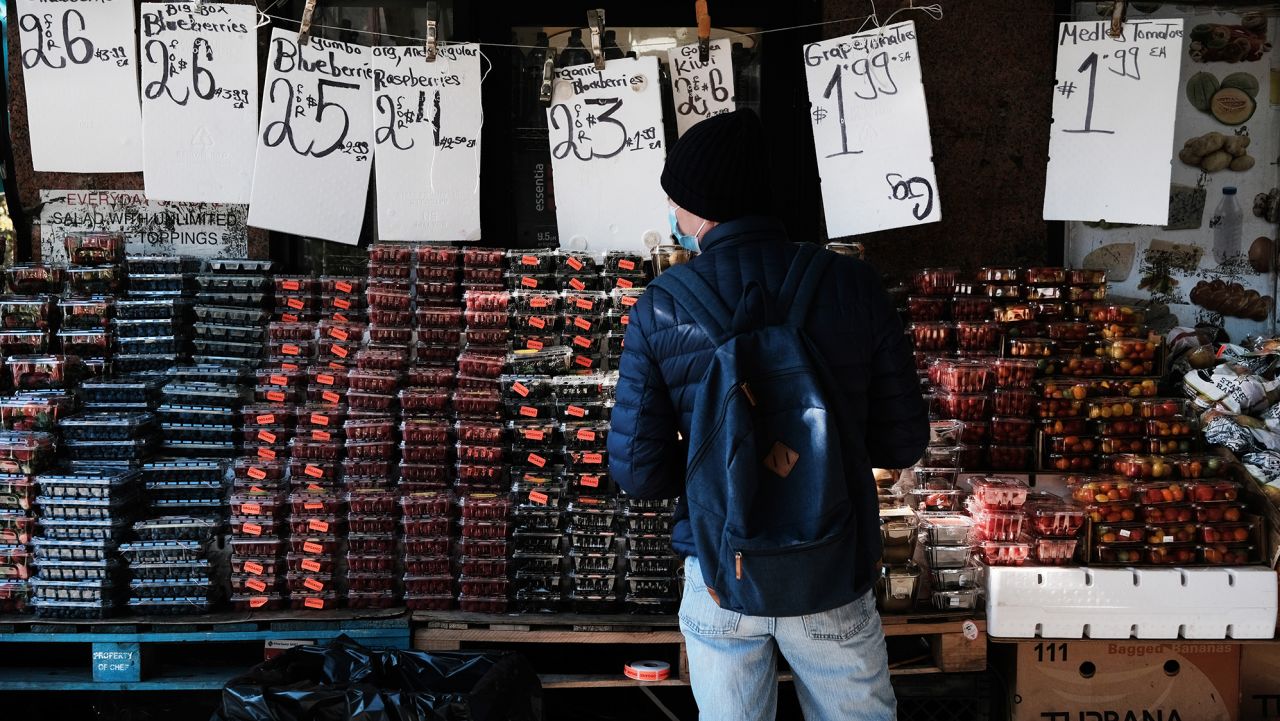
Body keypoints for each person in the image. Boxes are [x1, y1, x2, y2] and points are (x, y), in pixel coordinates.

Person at [607, 108, 928, 721]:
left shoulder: (663, 305)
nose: (672, 216)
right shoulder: (854, 286)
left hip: (720, 567)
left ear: (701, 206)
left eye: (675, 200)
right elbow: (901, 442)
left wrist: (720, 460)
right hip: (830, 563)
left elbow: (639, 471)